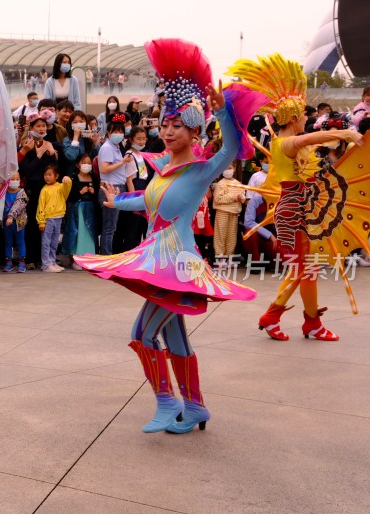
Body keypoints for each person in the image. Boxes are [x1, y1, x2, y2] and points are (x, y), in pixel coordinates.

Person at [75, 38, 262, 434]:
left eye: (178, 125)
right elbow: (148, 202)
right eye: (166, 123)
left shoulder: (201, 170)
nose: (169, 129)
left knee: (142, 334)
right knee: (174, 335)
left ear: (195, 131)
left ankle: (166, 401)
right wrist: (115, 203)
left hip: (178, 264)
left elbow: (231, 147)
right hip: (155, 256)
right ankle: (193, 407)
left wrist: (223, 109)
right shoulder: (161, 169)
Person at [229, 53, 364, 342]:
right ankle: (286, 319)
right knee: (304, 270)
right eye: (303, 115)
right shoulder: (286, 142)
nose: (307, 120)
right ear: (292, 119)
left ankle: (304, 322)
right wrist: (345, 134)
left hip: (296, 208)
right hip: (292, 210)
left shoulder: (286, 143)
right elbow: (306, 139)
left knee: (307, 270)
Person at [18, 111, 59, 268]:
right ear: (31, 128)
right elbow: (26, 171)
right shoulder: (27, 146)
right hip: (32, 190)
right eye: (38, 126)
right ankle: (30, 258)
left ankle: (46, 257)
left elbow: (54, 169)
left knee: (48, 225)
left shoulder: (50, 145)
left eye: (43, 126)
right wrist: (39, 155)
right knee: (33, 224)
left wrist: (51, 155)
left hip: (47, 190)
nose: (41, 129)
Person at [97, 112, 134, 254]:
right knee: (109, 227)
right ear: (108, 132)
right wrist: (123, 162)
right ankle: (106, 255)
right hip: (110, 188)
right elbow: (105, 169)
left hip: (118, 187)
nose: (118, 134)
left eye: (121, 131)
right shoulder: (107, 147)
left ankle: (109, 253)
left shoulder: (117, 147)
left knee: (113, 226)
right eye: (115, 131)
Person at [63, 153, 98, 266]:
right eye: (84, 162)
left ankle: (89, 256)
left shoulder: (94, 178)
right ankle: (76, 257)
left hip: (91, 209)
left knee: (89, 232)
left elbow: (98, 195)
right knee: (77, 232)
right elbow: (68, 195)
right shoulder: (73, 178)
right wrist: (79, 193)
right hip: (78, 209)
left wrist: (94, 192)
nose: (86, 165)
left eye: (89, 163)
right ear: (78, 164)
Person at [36, 165, 71, 272]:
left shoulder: (61, 187)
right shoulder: (44, 190)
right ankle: (46, 264)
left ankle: (52, 261)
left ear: (56, 176)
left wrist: (67, 180)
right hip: (48, 219)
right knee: (46, 242)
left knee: (54, 242)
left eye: (50, 175)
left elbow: (67, 187)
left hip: (58, 218)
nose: (47, 177)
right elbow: (40, 206)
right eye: (45, 175)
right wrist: (41, 222)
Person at [212, 161, 246, 260]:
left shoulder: (238, 184)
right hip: (222, 212)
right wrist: (234, 197)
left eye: (230, 168)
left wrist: (241, 198)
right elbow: (218, 199)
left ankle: (229, 257)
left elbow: (243, 198)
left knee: (232, 236)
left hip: (234, 212)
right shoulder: (220, 184)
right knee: (220, 235)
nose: (228, 170)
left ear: (234, 169)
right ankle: (220, 257)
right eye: (226, 168)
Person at [2, 172, 29, 272]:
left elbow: (18, 205)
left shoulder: (22, 193)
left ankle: (22, 262)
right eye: (12, 179)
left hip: (18, 223)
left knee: (20, 241)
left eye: (17, 178)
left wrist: (11, 216)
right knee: (8, 242)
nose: (15, 181)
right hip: (6, 223)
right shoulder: (4, 192)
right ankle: (8, 262)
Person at [61, 110, 98, 180]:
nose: (78, 124)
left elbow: (96, 157)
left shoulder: (88, 139)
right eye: (75, 122)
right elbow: (71, 156)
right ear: (70, 124)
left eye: (81, 122)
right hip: (72, 177)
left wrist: (95, 143)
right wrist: (75, 138)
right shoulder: (67, 140)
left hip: (88, 176)